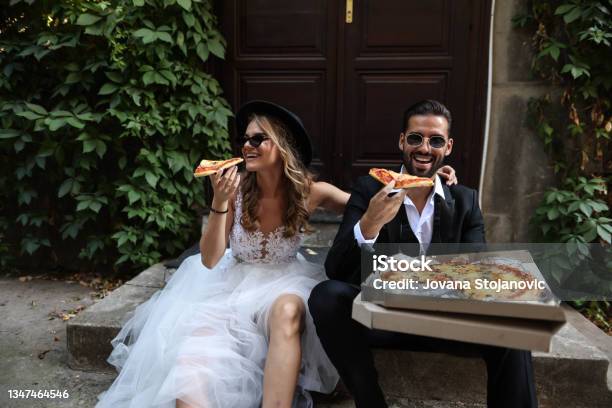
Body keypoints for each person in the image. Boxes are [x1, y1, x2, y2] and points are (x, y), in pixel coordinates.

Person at [96, 100, 458, 408]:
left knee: (288, 309)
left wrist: (431, 180)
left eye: (258, 139)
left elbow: (372, 206)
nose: (247, 146)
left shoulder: (312, 191)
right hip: (229, 283)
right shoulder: (232, 189)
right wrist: (219, 203)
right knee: (195, 352)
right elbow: (209, 259)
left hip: (285, 282)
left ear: (281, 145)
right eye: (244, 139)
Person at [308, 100, 538, 408]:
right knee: (326, 296)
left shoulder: (465, 200)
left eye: (436, 140)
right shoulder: (370, 189)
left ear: (449, 146)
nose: (424, 148)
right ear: (402, 141)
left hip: (445, 323)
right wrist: (370, 222)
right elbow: (337, 268)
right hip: (384, 320)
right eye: (415, 138)